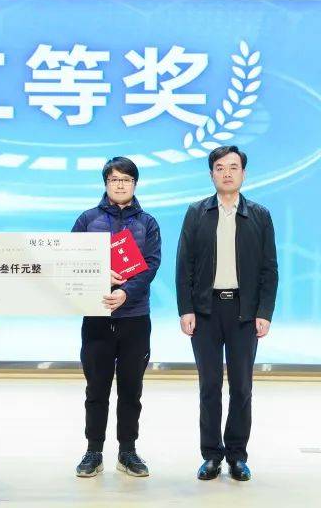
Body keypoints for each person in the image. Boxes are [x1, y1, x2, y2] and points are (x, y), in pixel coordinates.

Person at [175, 146, 278, 482]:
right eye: (220, 167)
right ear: (211, 174)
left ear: (244, 173)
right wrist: (186, 309)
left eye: (234, 167)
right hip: (205, 310)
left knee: (242, 387)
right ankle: (211, 455)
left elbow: (269, 269)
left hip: (244, 312)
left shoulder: (259, 215)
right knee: (209, 386)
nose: (227, 173)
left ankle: (237, 455)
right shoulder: (196, 212)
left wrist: (264, 311)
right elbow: (184, 265)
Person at [71, 156, 162, 478]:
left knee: (131, 389)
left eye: (126, 179)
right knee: (96, 388)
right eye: (114, 179)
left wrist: (126, 292)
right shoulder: (88, 219)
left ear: (135, 184)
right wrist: (98, 277)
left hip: (135, 316)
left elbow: (151, 264)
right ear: (105, 183)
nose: (120, 185)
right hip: (97, 316)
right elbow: (70, 260)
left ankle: (128, 451)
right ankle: (93, 451)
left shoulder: (147, 223)